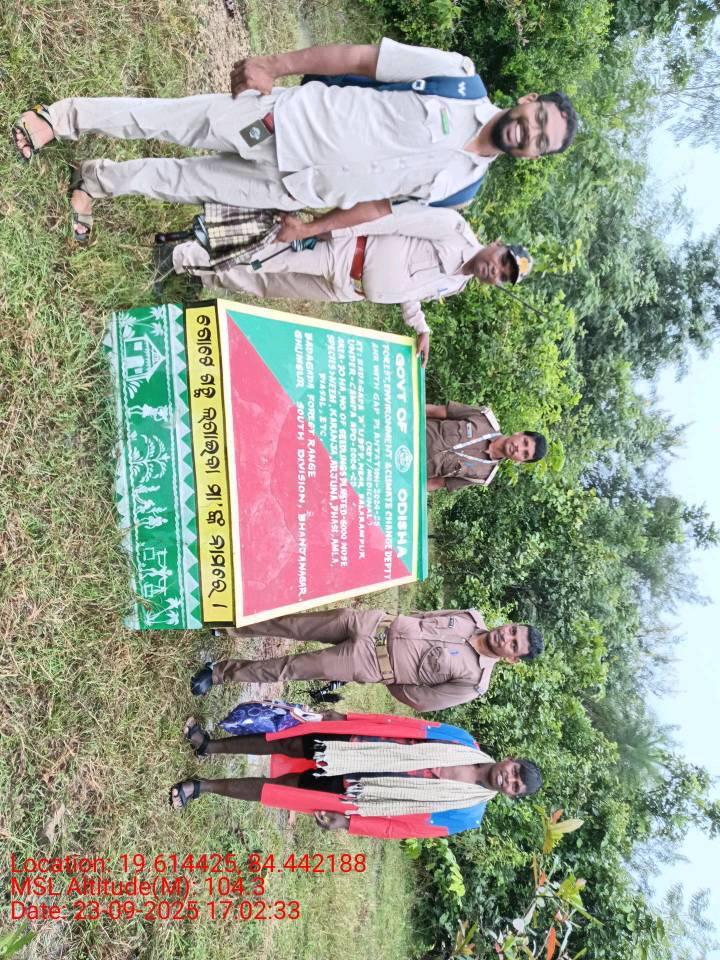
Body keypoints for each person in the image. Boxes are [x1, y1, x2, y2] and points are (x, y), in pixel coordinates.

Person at [12, 38, 577, 241]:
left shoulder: (463, 190)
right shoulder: (457, 77)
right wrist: (273, 65)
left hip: (289, 187)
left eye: (541, 141)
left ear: (535, 155)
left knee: (179, 183)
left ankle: (96, 182)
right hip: (281, 123)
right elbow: (360, 58)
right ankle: (59, 118)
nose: (530, 132)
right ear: (529, 101)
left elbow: (377, 208)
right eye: (538, 119)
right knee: (166, 121)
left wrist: (310, 226)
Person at [165, 205, 533, 365]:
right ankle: (178, 257)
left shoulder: (457, 284)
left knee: (266, 284)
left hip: (347, 289)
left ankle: (200, 271)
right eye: (503, 261)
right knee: (264, 259)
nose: (496, 271)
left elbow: (409, 293)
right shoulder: (452, 229)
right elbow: (389, 218)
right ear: (497, 245)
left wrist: (421, 327)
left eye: (504, 276)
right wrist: (331, 229)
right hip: (344, 251)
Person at [169, 711, 542, 838]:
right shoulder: (464, 741)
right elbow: (404, 725)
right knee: (287, 743)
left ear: (511, 795)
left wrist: (349, 823)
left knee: (279, 789)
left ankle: (202, 786)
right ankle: (209, 746)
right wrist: (348, 718)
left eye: (515, 786)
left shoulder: (468, 814)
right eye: (514, 773)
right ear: (509, 760)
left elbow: (405, 829)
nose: (508, 780)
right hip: (358, 743)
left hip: (356, 791)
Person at [190, 607, 544, 712]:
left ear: (513, 659)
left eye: (514, 644)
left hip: (368, 663)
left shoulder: (474, 682)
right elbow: (423, 616)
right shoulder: (470, 617)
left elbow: (421, 700)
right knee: (293, 624)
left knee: (291, 668)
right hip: (371, 623)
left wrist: (387, 673)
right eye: (513, 630)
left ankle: (218, 673)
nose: (506, 636)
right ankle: (228, 627)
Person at [426, 401, 547, 490]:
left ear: (520, 461)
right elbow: (434, 411)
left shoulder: (483, 475)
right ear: (519, 433)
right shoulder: (484, 417)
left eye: (525, 454)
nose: (519, 448)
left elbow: (436, 483)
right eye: (524, 442)